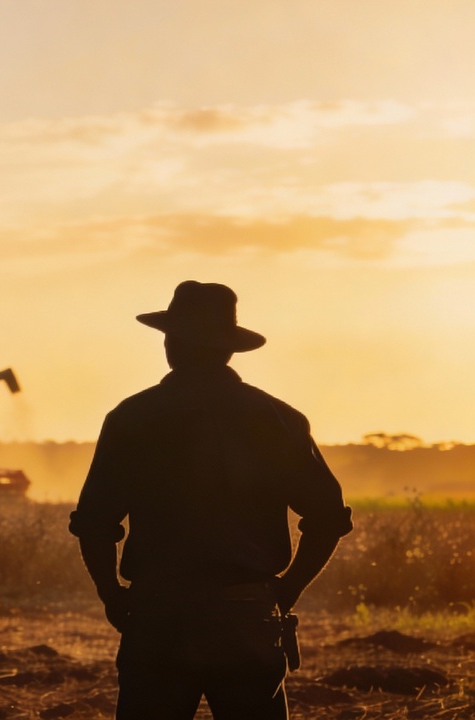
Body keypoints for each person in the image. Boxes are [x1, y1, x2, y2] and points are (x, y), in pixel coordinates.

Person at [69, 281, 353, 719]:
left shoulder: (132, 418)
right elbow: (328, 517)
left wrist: (112, 595)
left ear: (171, 343)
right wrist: (286, 589)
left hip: (158, 617)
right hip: (247, 621)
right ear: (229, 349)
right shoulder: (277, 419)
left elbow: (94, 523)